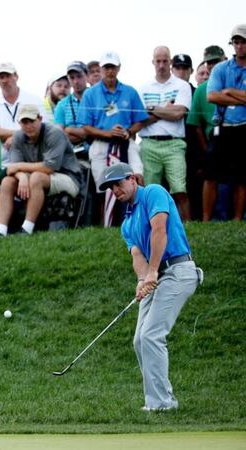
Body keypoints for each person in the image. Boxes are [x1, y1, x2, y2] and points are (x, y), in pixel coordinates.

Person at [99, 162, 200, 412]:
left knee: (151, 335)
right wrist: (143, 280)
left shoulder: (153, 192)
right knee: (139, 340)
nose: (116, 190)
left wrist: (153, 271)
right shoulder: (126, 223)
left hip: (178, 270)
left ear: (133, 179)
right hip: (157, 274)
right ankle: (158, 400)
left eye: (119, 183)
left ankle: (162, 404)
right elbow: (137, 256)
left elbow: (159, 230)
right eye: (111, 187)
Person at [79, 51, 149, 227]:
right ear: (101, 69)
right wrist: (108, 133)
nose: (109, 71)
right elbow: (85, 127)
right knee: (104, 187)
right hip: (101, 144)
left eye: (112, 67)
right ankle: (107, 226)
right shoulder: (90, 94)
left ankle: (140, 220)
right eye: (106, 67)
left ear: (118, 68)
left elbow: (141, 120)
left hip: (126, 142)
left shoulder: (129, 91)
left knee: (137, 176)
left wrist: (128, 131)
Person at [0, 105, 82, 236]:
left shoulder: (54, 133)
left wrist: (20, 169)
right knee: (7, 181)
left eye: (32, 121)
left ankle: (27, 228)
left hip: (69, 177)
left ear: (40, 119)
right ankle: (0, 230)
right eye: (24, 122)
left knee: (36, 177)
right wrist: (22, 177)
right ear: (20, 123)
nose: (28, 125)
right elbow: (13, 168)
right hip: (37, 176)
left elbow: (49, 167)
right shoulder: (18, 137)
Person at [137, 46, 193, 221]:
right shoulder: (143, 88)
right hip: (149, 143)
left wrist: (152, 109)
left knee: (179, 189)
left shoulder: (182, 85)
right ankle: (150, 227)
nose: (161, 65)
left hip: (174, 143)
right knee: (150, 191)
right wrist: (166, 109)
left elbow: (178, 114)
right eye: (158, 61)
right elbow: (139, 120)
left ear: (170, 62)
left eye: (165, 61)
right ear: (153, 62)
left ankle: (187, 227)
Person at [206, 24, 246, 221]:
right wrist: (241, 98)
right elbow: (212, 96)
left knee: (242, 177)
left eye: (243, 42)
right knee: (211, 175)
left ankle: (238, 219)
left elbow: (221, 93)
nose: (239, 46)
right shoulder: (221, 68)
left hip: (244, 127)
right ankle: (205, 220)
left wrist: (229, 92)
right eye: (236, 42)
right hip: (223, 126)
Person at [187, 45, 227, 221]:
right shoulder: (202, 90)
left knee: (240, 180)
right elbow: (195, 125)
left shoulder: (237, 80)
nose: (211, 66)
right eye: (209, 63)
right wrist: (206, 149)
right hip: (214, 138)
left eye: (215, 62)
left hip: (239, 132)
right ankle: (207, 219)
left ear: (224, 60)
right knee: (211, 179)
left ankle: (237, 218)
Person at [0, 62, 44, 157]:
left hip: (31, 158)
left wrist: (15, 138)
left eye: (8, 76)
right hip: (0, 161)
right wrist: (20, 135)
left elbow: (42, 129)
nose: (4, 80)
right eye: (1, 77)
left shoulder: (35, 100)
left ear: (16, 76)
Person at [54, 61, 90, 153]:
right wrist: (87, 133)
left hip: (97, 151)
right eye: (72, 77)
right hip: (72, 153)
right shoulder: (62, 104)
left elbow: (101, 130)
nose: (76, 81)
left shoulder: (97, 98)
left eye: (79, 76)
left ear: (87, 76)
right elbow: (59, 134)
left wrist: (69, 130)